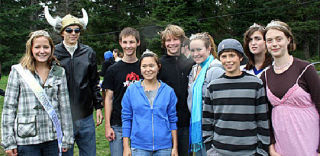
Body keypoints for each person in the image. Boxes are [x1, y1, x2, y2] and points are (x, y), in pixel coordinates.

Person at [1, 30, 73, 156]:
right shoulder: (18, 72)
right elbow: (9, 108)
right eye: (37, 47)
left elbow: (65, 108)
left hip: (53, 136)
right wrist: (8, 141)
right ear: (31, 49)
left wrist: (67, 137)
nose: (42, 51)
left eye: (46, 47)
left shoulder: (59, 72)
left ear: (51, 48)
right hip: (27, 138)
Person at [44, 6, 104, 156]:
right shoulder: (53, 53)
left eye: (77, 30)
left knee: (89, 153)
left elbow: (94, 82)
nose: (73, 34)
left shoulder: (88, 52)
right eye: (69, 30)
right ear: (62, 32)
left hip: (85, 116)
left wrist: (98, 107)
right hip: (62, 117)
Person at [260, 20, 320, 156]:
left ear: (288, 39)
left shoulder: (305, 69)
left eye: (278, 39)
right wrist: (271, 144)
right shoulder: (265, 76)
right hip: (282, 144)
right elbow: (265, 114)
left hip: (310, 141)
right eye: (269, 40)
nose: (274, 44)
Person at [203, 39, 270, 155]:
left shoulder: (255, 84)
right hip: (220, 151)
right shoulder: (213, 87)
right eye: (224, 56)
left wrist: (261, 151)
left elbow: (263, 120)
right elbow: (207, 122)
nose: (228, 60)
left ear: (240, 57)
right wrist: (211, 150)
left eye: (232, 55)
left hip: (250, 151)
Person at [122, 50, 178, 156]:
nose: (148, 70)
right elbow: (126, 119)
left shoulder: (168, 91)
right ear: (140, 68)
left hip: (164, 147)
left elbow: (173, 120)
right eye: (144, 66)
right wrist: (126, 147)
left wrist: (174, 147)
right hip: (139, 147)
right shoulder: (131, 90)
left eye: (151, 66)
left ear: (158, 67)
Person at [103, 27, 142, 156]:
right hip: (118, 124)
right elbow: (108, 98)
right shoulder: (113, 70)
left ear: (138, 42)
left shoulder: (145, 67)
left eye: (131, 42)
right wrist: (108, 126)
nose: (128, 46)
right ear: (120, 43)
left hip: (141, 123)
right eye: (125, 42)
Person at [158, 24, 194, 156]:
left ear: (181, 41)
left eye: (175, 39)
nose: (172, 43)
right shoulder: (159, 65)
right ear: (164, 43)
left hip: (185, 122)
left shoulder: (190, 63)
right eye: (168, 40)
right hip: (165, 123)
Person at [187, 32, 224, 156]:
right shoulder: (194, 69)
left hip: (211, 128)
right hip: (198, 125)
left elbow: (220, 103)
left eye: (199, 49)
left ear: (208, 49)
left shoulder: (216, 70)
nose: (195, 54)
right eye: (192, 50)